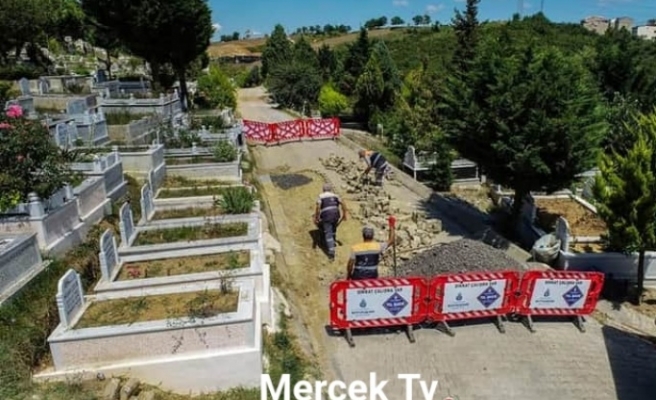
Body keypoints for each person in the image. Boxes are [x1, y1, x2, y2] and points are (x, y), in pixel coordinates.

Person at [314, 183, 347, 262]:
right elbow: (343, 203)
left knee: (328, 234)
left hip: (326, 216)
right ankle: (333, 240)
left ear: (323, 190)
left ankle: (331, 253)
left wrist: (316, 217)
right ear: (331, 189)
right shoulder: (335, 195)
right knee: (334, 228)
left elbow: (318, 207)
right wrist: (344, 214)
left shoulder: (321, 196)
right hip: (336, 214)